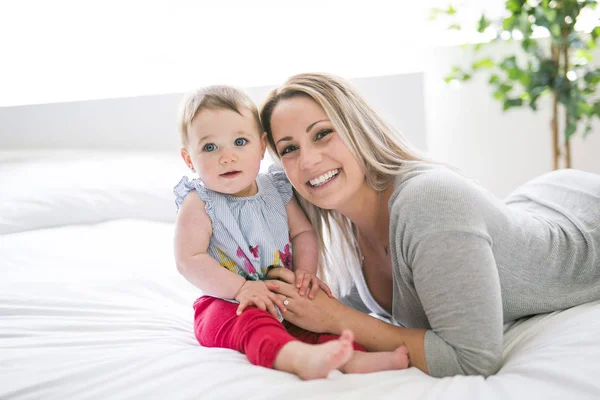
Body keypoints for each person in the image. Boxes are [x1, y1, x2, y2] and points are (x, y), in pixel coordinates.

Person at [258, 72, 600, 378]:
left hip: (586, 217)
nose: (308, 160)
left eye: (322, 134)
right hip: (531, 202)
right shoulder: (343, 227)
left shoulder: (429, 201)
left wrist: (337, 319)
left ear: (356, 129)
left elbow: (473, 360)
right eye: (289, 149)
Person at [173, 85, 410, 380]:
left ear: (261, 146)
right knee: (252, 325)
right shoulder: (199, 202)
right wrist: (240, 289)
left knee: (316, 320)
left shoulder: (276, 189)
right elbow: (189, 259)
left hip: (280, 292)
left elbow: (302, 234)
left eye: (240, 141)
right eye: (210, 147)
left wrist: (305, 274)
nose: (227, 157)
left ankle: (352, 358)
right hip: (228, 302)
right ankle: (296, 358)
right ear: (189, 159)